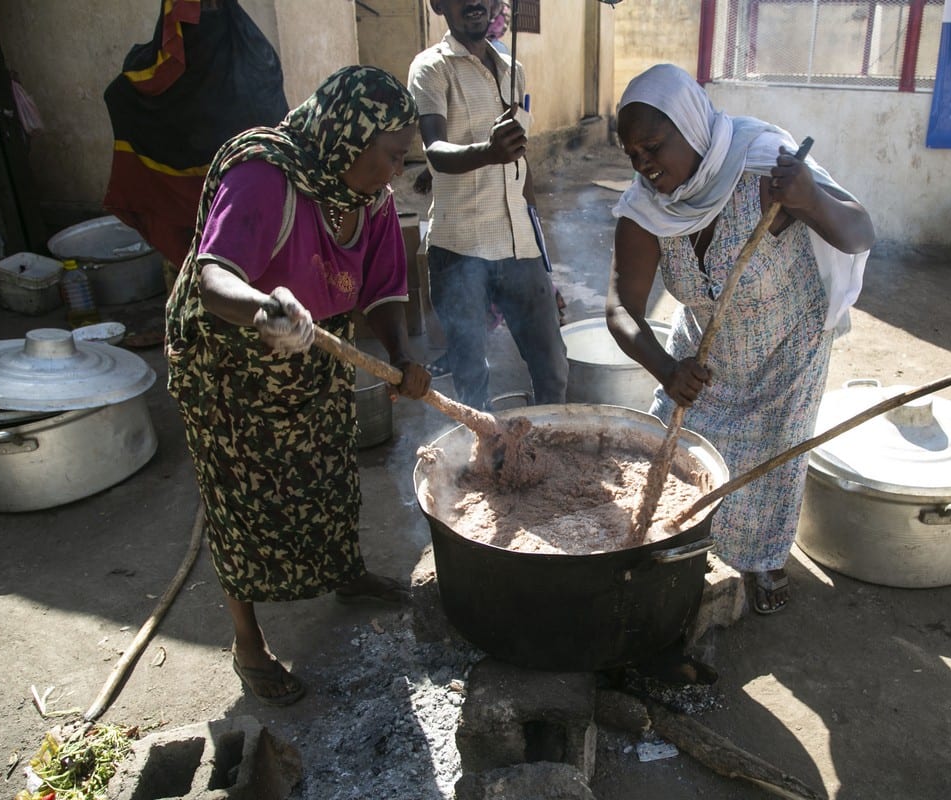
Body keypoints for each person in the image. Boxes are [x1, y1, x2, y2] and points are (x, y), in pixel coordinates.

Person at [164, 66, 431, 706]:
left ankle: (345, 573)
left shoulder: (372, 200)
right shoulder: (264, 176)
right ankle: (247, 644)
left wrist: (401, 356)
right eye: (390, 156)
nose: (396, 172)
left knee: (328, 473)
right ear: (349, 134)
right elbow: (213, 277)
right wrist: (265, 310)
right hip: (230, 362)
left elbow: (384, 289)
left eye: (403, 158)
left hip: (312, 352)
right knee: (243, 501)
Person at [606, 64, 874, 615]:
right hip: (705, 350)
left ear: (692, 128)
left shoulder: (763, 168)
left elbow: (859, 232)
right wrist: (665, 368)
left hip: (787, 344)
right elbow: (620, 307)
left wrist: (808, 201)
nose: (645, 166)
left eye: (654, 147)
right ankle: (690, 553)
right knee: (678, 453)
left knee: (770, 464)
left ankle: (764, 561)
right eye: (633, 156)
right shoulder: (646, 208)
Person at [408, 0, 568, 409]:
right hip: (460, 248)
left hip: (520, 247)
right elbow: (436, 151)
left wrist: (541, 249)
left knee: (552, 368)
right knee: (471, 379)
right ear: (438, 4)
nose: (475, 3)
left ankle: (545, 453)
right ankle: (481, 461)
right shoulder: (431, 67)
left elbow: (519, 161)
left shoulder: (513, 69)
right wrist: (487, 151)